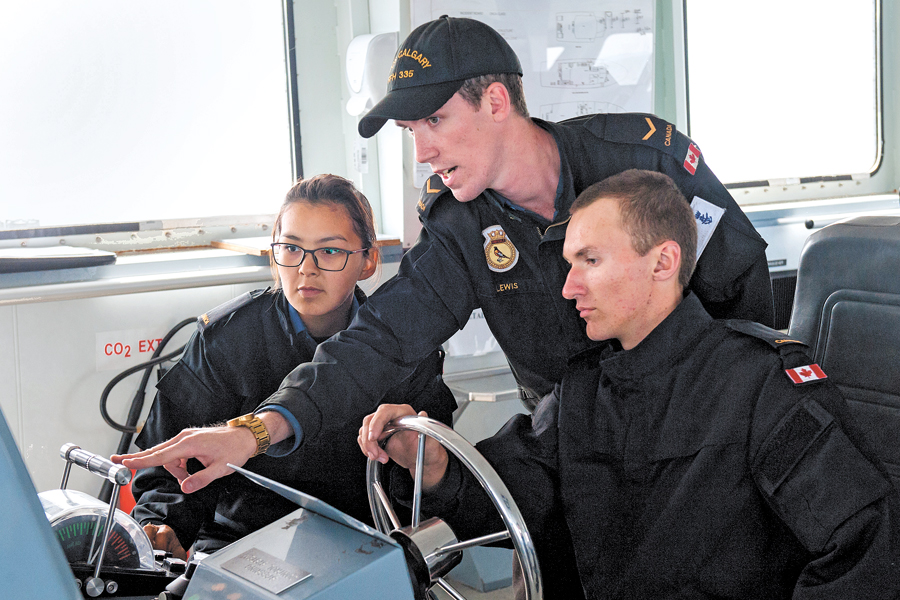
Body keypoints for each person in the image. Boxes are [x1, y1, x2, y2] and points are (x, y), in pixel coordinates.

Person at [116, 17, 774, 495]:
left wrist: (738, 427)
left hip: (699, 431)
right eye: (411, 133)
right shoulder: (461, 226)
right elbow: (375, 343)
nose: (422, 152)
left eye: (434, 122)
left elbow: (743, 295)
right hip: (571, 444)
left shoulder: (644, 161)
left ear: (494, 102)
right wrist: (256, 431)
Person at [360, 170, 900, 599]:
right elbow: (507, 498)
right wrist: (431, 464)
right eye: (570, 263)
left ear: (663, 261)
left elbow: (864, 547)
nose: (569, 287)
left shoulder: (764, 387)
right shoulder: (582, 393)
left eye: (589, 260)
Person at [129, 174, 456, 559]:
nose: (306, 269)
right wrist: (164, 526)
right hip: (239, 542)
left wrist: (422, 460)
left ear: (368, 260)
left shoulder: (405, 345)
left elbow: (440, 488)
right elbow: (168, 468)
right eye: (291, 248)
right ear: (273, 255)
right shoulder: (226, 339)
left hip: (364, 544)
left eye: (330, 251)